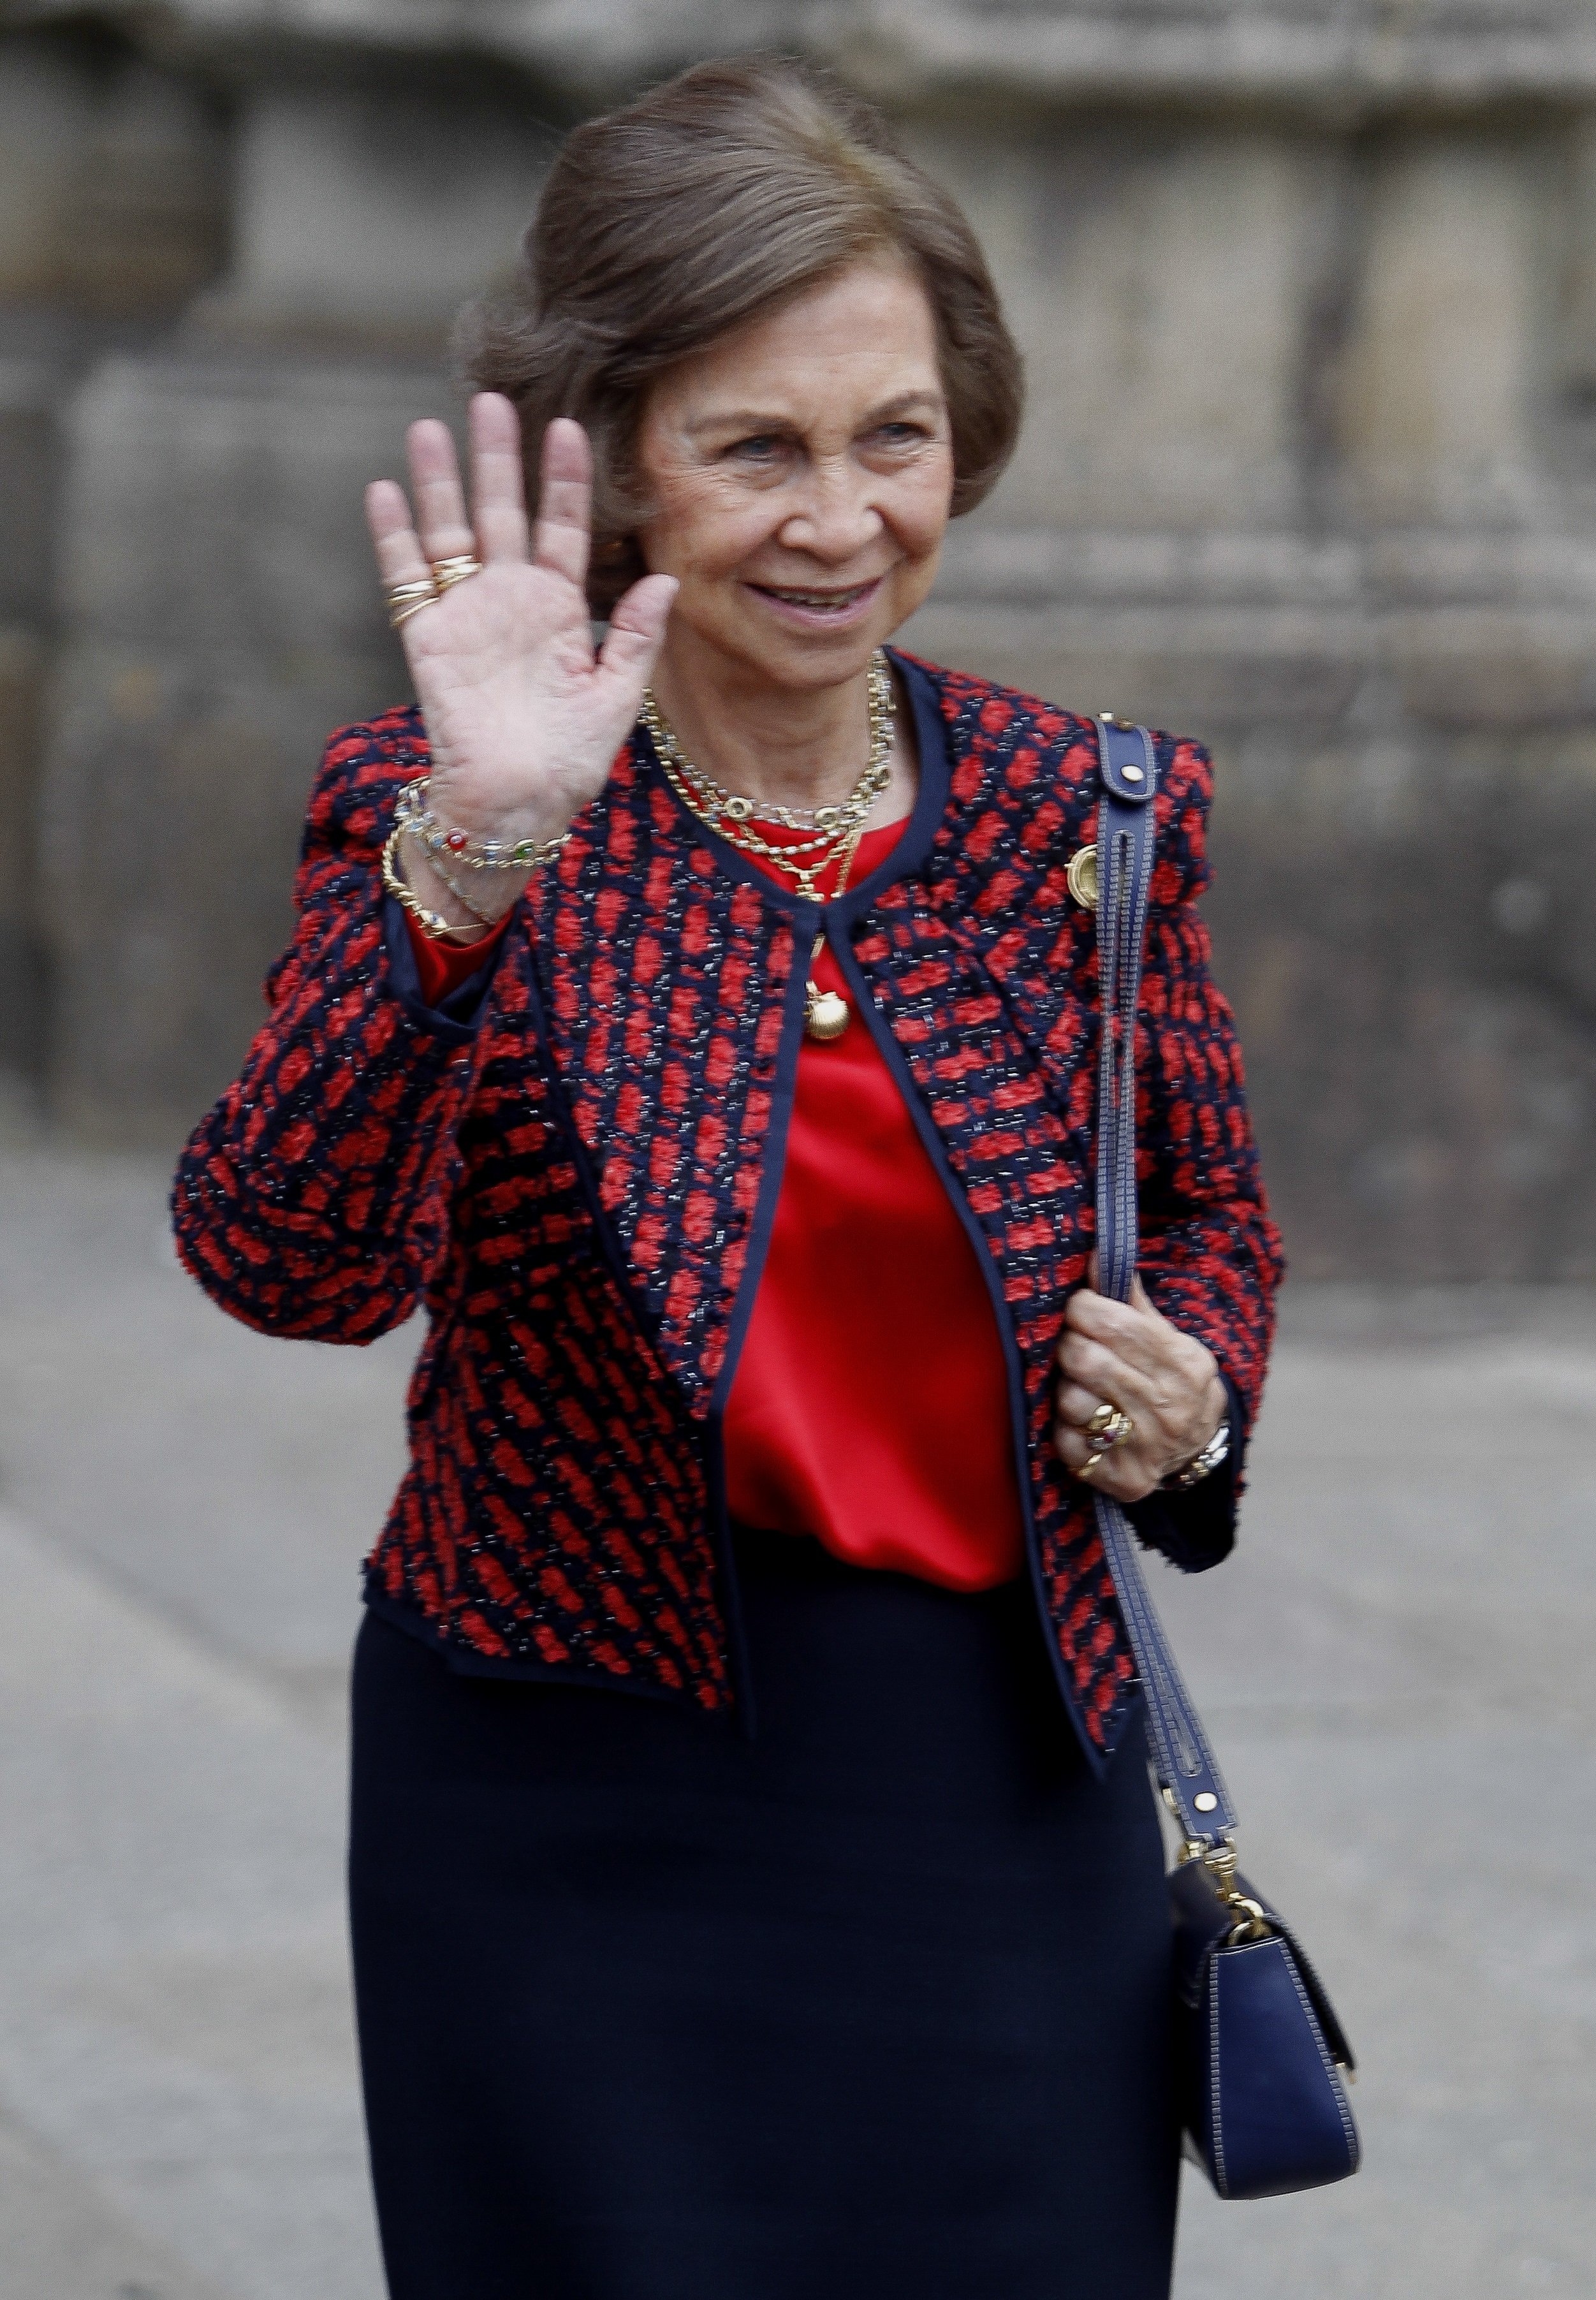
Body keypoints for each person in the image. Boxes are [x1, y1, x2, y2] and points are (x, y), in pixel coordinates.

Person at [173, 53, 1282, 2300]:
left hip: (1003, 1776)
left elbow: (1214, 1218)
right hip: (571, 1794)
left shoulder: (1096, 808)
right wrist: (474, 859)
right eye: (754, 446)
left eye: (894, 436)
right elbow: (278, 1256)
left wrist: (1198, 1407)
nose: (842, 515)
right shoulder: (463, 801)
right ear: (615, 465)